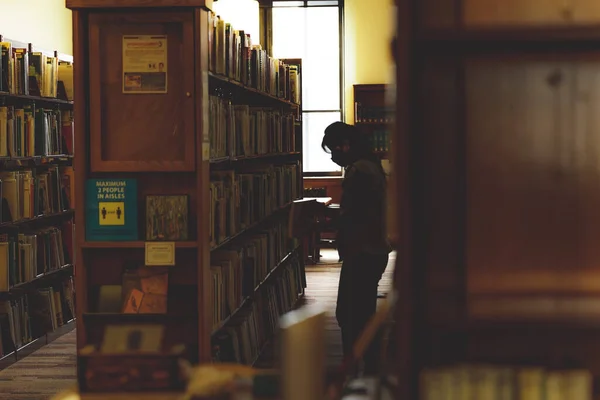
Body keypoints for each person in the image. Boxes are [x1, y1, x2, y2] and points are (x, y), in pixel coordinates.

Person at [319, 121, 392, 376]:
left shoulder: (359, 171)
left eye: (334, 150)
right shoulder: (371, 167)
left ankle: (356, 368)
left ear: (345, 145)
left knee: (350, 315)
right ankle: (368, 366)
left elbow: (355, 216)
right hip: (374, 249)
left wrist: (325, 221)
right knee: (363, 312)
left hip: (362, 251)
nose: (334, 156)